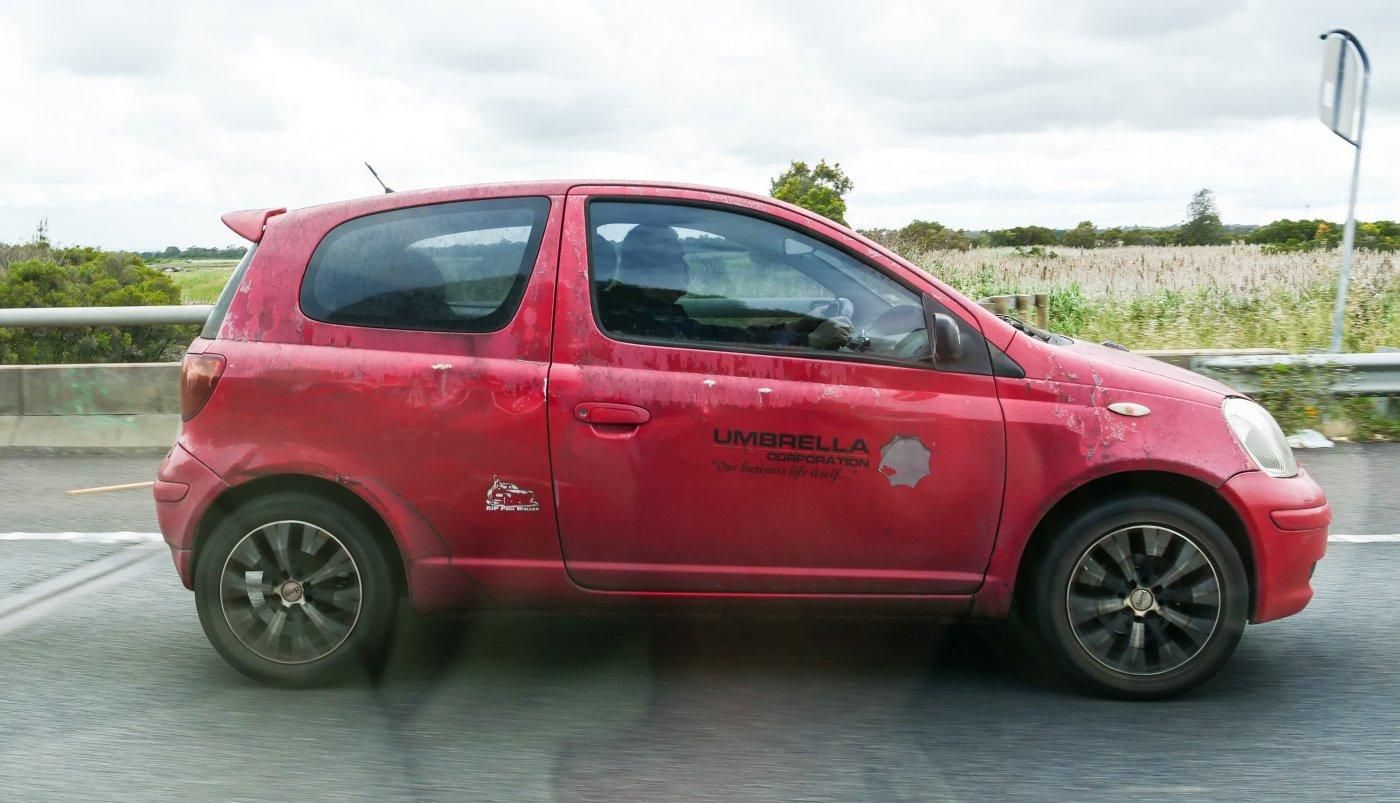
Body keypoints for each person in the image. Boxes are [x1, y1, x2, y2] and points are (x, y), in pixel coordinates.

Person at [597, 224, 853, 350]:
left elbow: (715, 335)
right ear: (645, 267)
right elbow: (716, 343)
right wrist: (808, 341)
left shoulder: (642, 307)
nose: (685, 268)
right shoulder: (632, 317)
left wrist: (792, 329)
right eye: (675, 259)